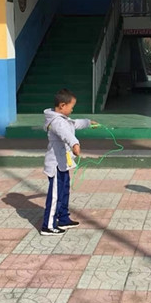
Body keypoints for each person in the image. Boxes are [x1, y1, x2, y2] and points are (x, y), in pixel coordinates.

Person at [41, 88, 97, 236]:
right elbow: (65, 134)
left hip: (63, 164)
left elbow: (74, 124)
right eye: (71, 107)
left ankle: (63, 218)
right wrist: (75, 144)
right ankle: (48, 226)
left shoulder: (63, 120)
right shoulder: (56, 122)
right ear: (62, 105)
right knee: (55, 195)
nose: (72, 110)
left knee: (64, 191)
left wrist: (88, 122)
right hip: (55, 165)